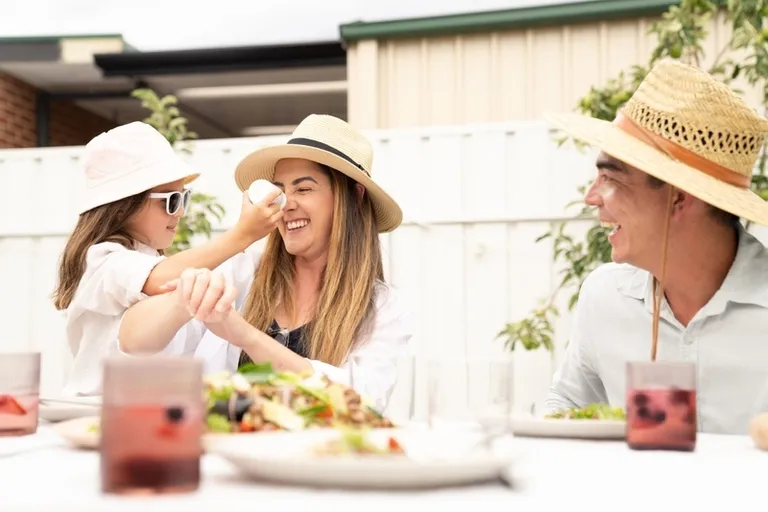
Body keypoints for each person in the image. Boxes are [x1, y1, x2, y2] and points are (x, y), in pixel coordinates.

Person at [118, 114, 413, 410]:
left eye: (304, 189)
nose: (287, 204)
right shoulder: (242, 273)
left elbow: (361, 402)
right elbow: (133, 343)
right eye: (281, 191)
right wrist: (184, 299)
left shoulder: (381, 307)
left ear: (354, 197)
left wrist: (244, 335)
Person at [543, 59, 768, 435]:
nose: (591, 197)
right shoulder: (604, 297)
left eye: (609, 177)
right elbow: (566, 408)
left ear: (678, 199)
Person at [54, 121, 284, 396]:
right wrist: (241, 235)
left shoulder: (150, 259)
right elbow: (156, 278)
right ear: (123, 207)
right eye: (171, 200)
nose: (180, 212)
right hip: (95, 412)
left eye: (183, 199)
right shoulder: (103, 260)